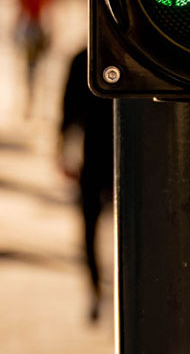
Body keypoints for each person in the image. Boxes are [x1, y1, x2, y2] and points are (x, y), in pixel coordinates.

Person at [59, 48, 114, 323]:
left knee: (89, 224)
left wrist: (63, 148)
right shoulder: (85, 58)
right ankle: (102, 284)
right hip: (119, 151)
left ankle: (95, 286)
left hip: (93, 149)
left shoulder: (82, 57)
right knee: (117, 223)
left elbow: (67, 110)